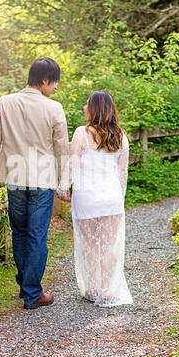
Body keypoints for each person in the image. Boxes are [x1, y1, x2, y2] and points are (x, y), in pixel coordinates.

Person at [0, 57, 70, 310]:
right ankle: (33, 293)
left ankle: (26, 285)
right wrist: (64, 183)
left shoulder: (5, 102)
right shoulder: (54, 108)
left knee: (20, 233)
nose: (55, 87)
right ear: (44, 80)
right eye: (54, 82)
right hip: (42, 181)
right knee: (36, 236)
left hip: (14, 178)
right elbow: (62, 149)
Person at [58, 91, 133, 307]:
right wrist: (120, 198)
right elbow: (122, 174)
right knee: (109, 245)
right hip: (111, 197)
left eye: (87, 104)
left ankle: (92, 288)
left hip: (87, 197)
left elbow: (72, 165)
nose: (84, 107)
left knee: (89, 244)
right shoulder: (120, 136)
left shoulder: (81, 133)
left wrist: (63, 189)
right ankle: (107, 290)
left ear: (95, 109)